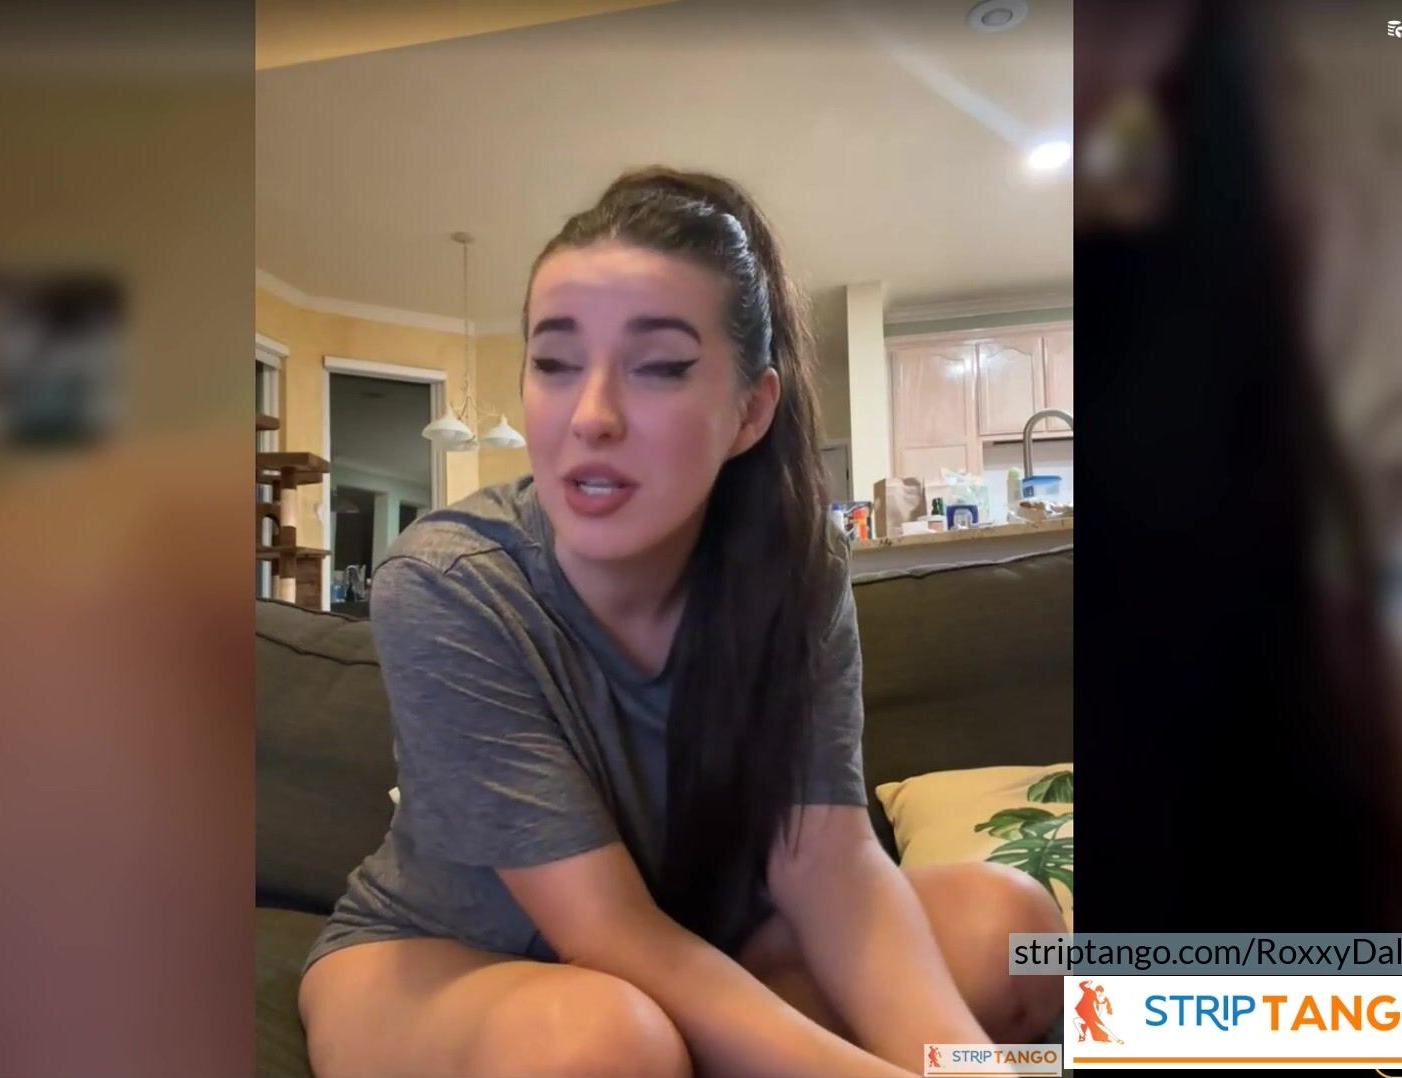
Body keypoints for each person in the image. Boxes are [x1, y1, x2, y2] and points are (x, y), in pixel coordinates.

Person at [297, 168, 1065, 1078]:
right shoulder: (449, 581)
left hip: (701, 942)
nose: (591, 417)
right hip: (449, 960)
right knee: (603, 1043)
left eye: (659, 367)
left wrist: (958, 1068)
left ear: (751, 411)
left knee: (1011, 929)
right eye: (554, 363)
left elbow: (825, 857)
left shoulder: (795, 563)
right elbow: (605, 930)